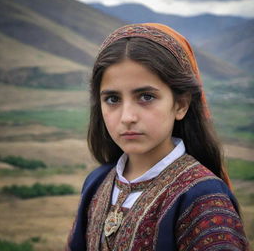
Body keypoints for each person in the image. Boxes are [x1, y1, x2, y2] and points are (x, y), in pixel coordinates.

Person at [66, 23, 249, 251]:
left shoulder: (203, 198)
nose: (127, 117)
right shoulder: (97, 182)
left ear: (180, 104)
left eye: (146, 96)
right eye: (112, 99)